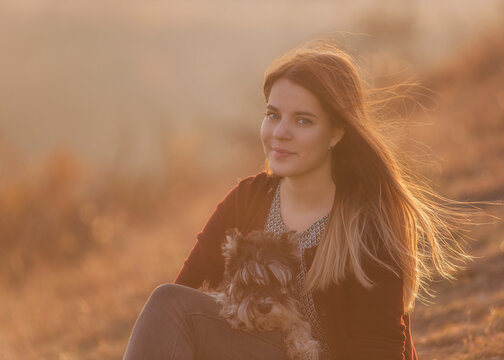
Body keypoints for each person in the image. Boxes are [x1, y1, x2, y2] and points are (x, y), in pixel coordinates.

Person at [123, 39, 470, 360]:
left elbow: (378, 348)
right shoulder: (247, 200)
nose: (280, 133)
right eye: (273, 115)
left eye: (303, 120)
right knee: (167, 302)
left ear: (336, 132)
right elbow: (185, 303)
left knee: (169, 304)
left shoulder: (366, 222)